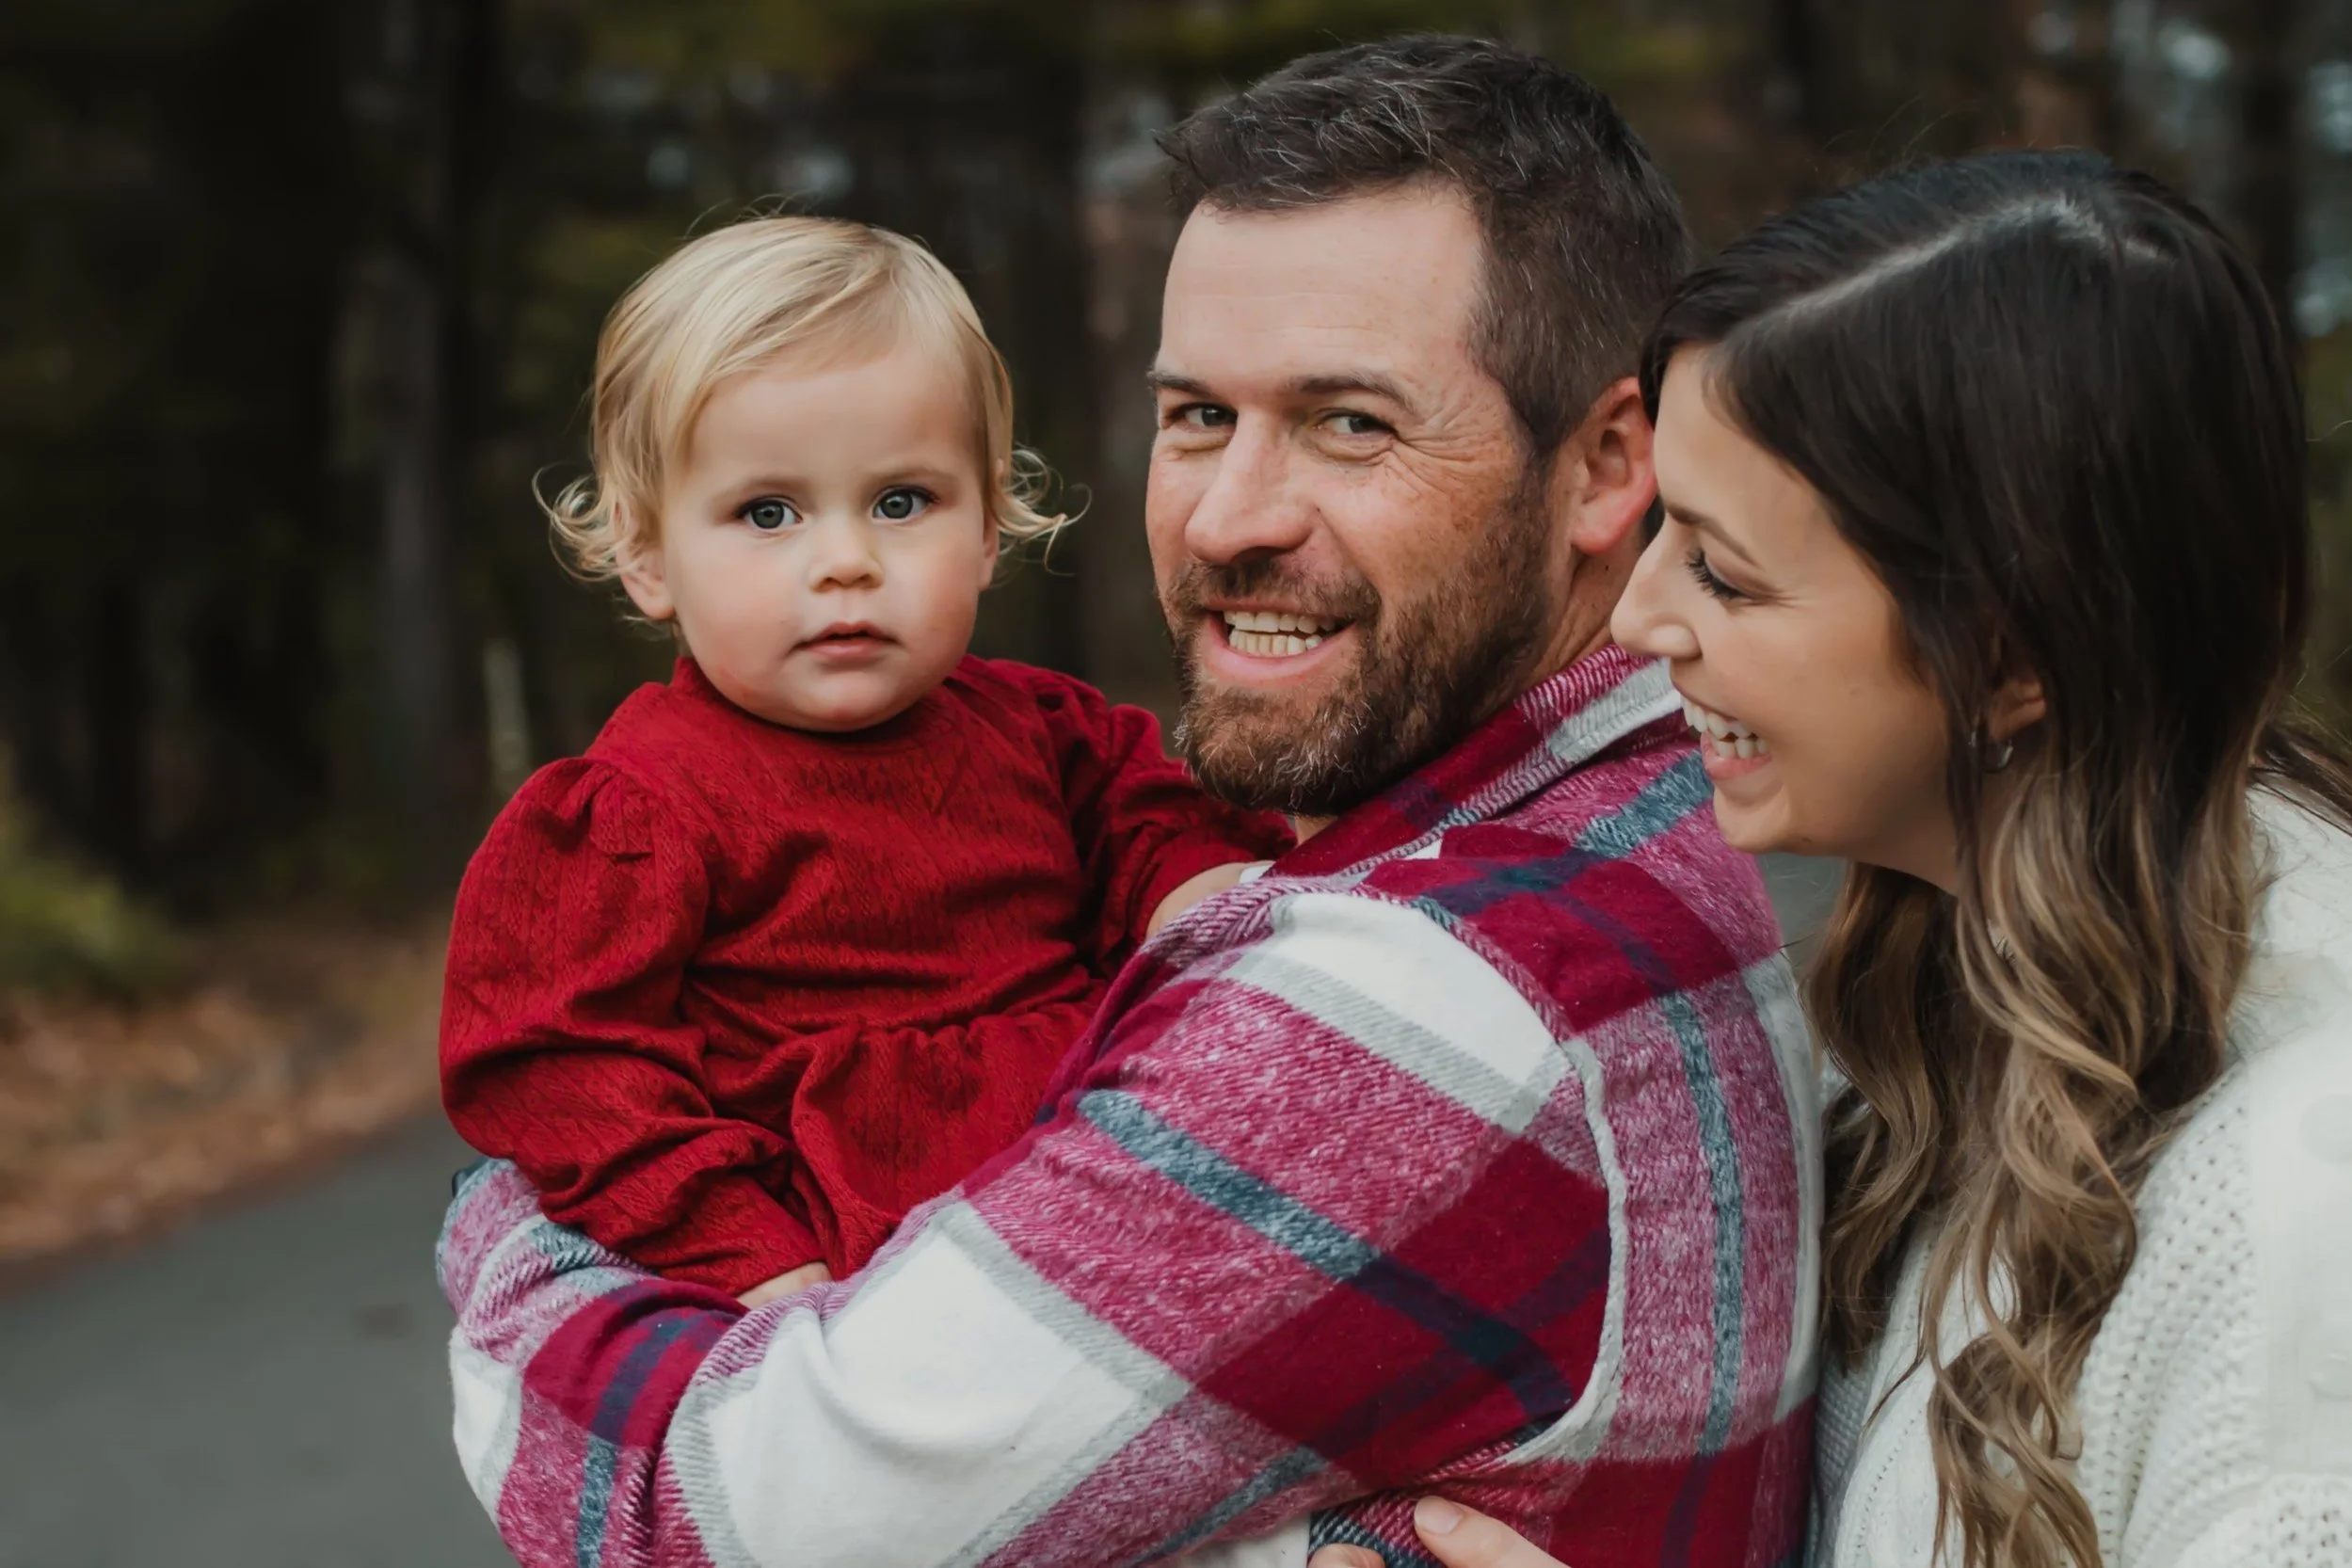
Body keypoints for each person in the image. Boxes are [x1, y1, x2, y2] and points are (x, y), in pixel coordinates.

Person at [436, 36, 1818, 1568]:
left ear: (1604, 461)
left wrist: (500, 1244)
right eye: (1193, 417)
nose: (1227, 516)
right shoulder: (1643, 823)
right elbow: (554, 1059)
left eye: (1348, 420)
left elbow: (730, 1521)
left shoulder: (1405, 1000)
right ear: (644, 551)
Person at [1311, 151, 2352, 1568]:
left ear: (2008, 646)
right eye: (1661, 523)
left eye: (1726, 571)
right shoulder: (1926, 1004)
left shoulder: (2304, 1190)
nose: (1637, 620)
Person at [439, 216, 1290, 1305]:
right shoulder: (635, 809)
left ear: (987, 525)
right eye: (767, 512)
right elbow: (558, 1063)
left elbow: (1152, 821)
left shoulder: (1039, 728)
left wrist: (1204, 902)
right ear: (648, 553)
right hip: (860, 1264)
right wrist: (754, 1264)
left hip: (1116, 1174)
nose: (845, 561)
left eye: (902, 502)